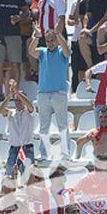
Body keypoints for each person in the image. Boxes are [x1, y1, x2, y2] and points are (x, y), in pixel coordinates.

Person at [28, 27, 71, 159]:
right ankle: (44, 153)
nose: (50, 43)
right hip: (43, 94)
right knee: (44, 126)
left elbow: (67, 50)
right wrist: (36, 37)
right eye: (48, 40)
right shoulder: (42, 52)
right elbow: (31, 51)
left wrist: (58, 34)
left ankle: (65, 153)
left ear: (57, 40)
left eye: (52, 40)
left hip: (59, 93)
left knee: (62, 125)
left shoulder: (61, 52)